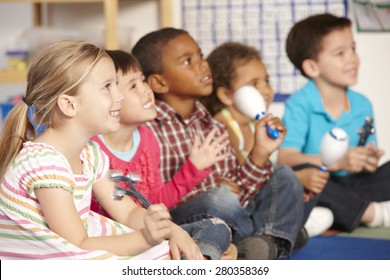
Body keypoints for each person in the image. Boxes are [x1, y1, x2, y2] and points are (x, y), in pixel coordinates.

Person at [0, 40, 203, 260]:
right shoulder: (44, 162)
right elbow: (76, 245)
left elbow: (127, 212)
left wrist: (171, 230)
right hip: (43, 260)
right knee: (159, 256)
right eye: (107, 87)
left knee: (166, 251)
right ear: (69, 105)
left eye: (116, 84)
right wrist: (146, 238)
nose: (120, 96)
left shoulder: (90, 154)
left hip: (75, 243)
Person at [132, 27, 305, 260]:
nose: (203, 65)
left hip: (231, 214)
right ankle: (273, 238)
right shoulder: (148, 129)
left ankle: (260, 244)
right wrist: (212, 189)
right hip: (190, 221)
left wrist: (260, 153)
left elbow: (240, 194)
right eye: (187, 61)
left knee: (283, 177)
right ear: (159, 83)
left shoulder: (212, 126)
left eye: (201, 56)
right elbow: (153, 202)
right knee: (219, 198)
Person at [90, 49, 236, 260]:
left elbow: (156, 201)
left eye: (143, 81)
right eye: (133, 86)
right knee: (218, 210)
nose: (146, 90)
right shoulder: (93, 148)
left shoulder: (147, 138)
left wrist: (193, 169)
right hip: (120, 240)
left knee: (216, 227)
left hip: (149, 230)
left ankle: (201, 257)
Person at [202, 41, 333, 238]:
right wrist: (297, 180)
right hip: (236, 207)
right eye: (254, 84)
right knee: (290, 176)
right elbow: (243, 182)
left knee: (305, 178)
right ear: (226, 95)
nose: (265, 90)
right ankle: (287, 231)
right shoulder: (223, 126)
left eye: (266, 81)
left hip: (254, 199)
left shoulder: (254, 125)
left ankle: (288, 229)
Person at [278, 13, 390, 232]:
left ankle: (333, 213)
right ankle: (371, 214)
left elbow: (369, 152)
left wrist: (368, 160)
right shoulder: (300, 103)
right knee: (297, 175)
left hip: (355, 185)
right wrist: (337, 163)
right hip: (321, 184)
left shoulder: (362, 104)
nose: (352, 59)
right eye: (340, 53)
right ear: (312, 67)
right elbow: (285, 159)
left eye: (353, 49)